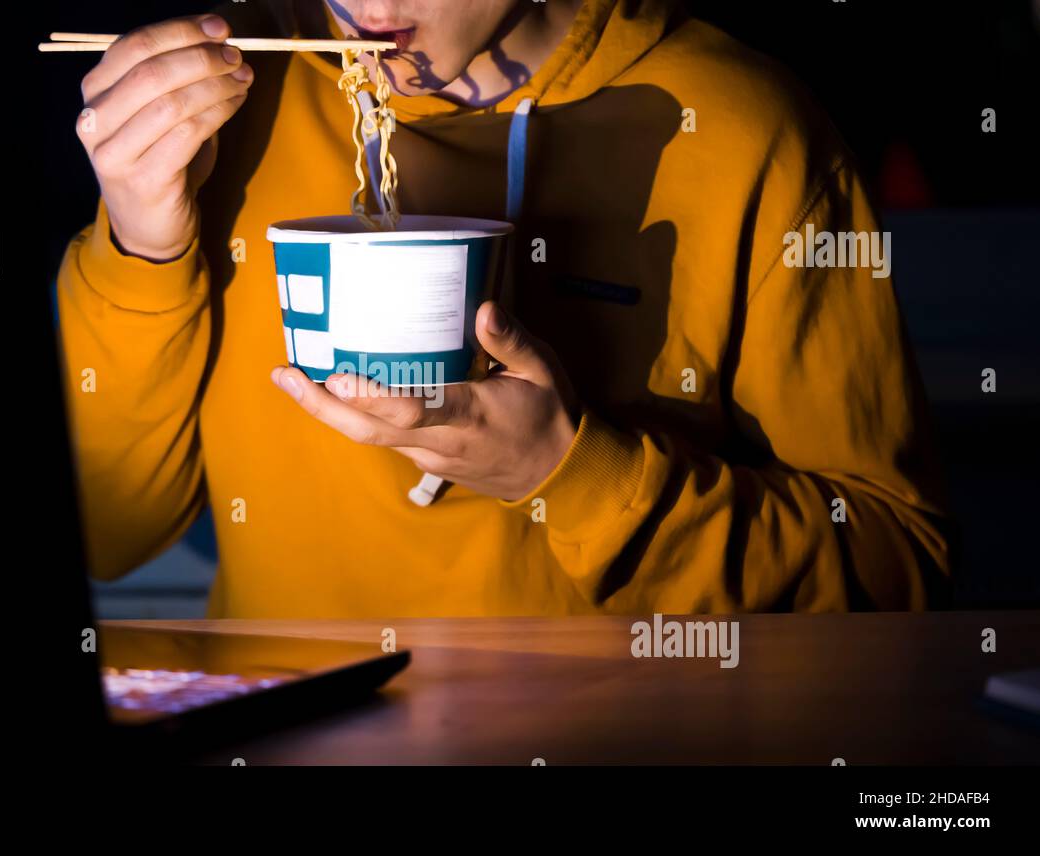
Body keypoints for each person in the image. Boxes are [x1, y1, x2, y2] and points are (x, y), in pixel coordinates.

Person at [54, 0, 951, 617]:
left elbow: (901, 577)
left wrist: (575, 474)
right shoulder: (226, 99)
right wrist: (141, 245)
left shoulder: (745, 126)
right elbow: (108, 535)